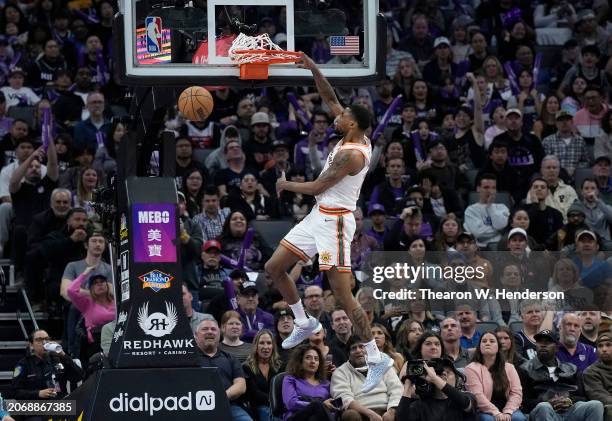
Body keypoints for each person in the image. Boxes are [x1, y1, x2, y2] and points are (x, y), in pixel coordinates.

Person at [265, 53, 391, 393]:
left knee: (342, 294)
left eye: (341, 118)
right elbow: (330, 97)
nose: (334, 117)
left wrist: (286, 184)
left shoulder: (353, 154)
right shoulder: (354, 133)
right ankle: (303, 321)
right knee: (275, 267)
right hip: (318, 217)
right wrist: (312, 67)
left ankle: (377, 356)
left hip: (335, 222)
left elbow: (319, 186)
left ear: (351, 124)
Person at [517, 329, 605, 420]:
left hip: (570, 411)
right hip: (542, 411)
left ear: (557, 348)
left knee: (596, 405)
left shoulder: (572, 369)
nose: (543, 345)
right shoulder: (525, 369)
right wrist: (547, 402)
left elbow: (583, 397)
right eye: (539, 342)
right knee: (544, 407)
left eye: (548, 342)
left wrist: (569, 400)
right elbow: (523, 402)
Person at [330, 336, 402, 421]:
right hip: (360, 414)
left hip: (387, 410)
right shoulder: (340, 372)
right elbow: (344, 399)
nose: (358, 350)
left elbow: (396, 389)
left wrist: (391, 411)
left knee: (407, 408)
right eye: (354, 348)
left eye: (361, 346)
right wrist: (370, 414)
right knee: (349, 414)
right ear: (348, 354)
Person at [195, 318, 252, 421]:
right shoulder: (188, 359)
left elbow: (241, 385)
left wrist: (220, 397)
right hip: (195, 407)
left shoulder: (230, 358)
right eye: (205, 329)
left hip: (228, 406)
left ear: (219, 335)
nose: (209, 332)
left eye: (213, 329)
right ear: (196, 335)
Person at [465, 332, 526, 421]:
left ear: (498, 347)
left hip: (508, 409)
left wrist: (508, 411)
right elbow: (477, 396)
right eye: (484, 341)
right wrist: (496, 412)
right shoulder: (471, 368)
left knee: (518, 418)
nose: (487, 343)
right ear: (479, 347)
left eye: (492, 341)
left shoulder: (509, 367)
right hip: (484, 411)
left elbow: (516, 393)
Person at [11, 329, 83, 403]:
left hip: (60, 406)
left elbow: (78, 377)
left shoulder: (58, 359)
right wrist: (38, 393)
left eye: (47, 339)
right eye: (39, 340)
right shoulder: (24, 364)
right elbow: (15, 392)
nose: (44, 342)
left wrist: (63, 355)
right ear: (31, 345)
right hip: (37, 407)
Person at [396, 357, 477, 421]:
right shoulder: (421, 405)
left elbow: (465, 403)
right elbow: (402, 419)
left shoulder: (467, 396)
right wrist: (408, 385)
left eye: (448, 372)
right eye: (439, 373)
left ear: (457, 379)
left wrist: (435, 378)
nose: (444, 374)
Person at [66, 266, 115, 361]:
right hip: (96, 345)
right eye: (95, 283)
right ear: (91, 288)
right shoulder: (87, 303)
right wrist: (85, 273)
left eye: (102, 281)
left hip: (116, 339)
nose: (99, 284)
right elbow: (70, 291)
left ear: (107, 284)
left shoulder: (116, 301)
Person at [282, 344, 336, 421]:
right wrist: (321, 405)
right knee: (317, 405)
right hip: (296, 417)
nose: (313, 361)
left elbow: (332, 408)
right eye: (308, 358)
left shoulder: (326, 383)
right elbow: (291, 404)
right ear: (300, 361)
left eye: (316, 359)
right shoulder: (290, 379)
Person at [243, 329, 282, 421]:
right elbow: (255, 394)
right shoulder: (247, 367)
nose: (266, 347)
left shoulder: (280, 366)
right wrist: (274, 401)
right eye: (261, 343)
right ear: (256, 346)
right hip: (258, 408)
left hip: (279, 407)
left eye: (269, 343)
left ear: (273, 346)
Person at [463, 174, 509, 248]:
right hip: (480, 248)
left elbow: (499, 225)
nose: (490, 191)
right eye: (486, 187)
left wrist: (490, 206)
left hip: (501, 247)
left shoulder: (502, 208)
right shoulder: (471, 210)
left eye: (493, 188)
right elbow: (478, 234)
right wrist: (498, 230)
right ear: (478, 188)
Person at [583, 329, 612, 421]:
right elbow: (602, 398)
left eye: (608, 345)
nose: (604, 349)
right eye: (600, 346)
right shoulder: (590, 372)